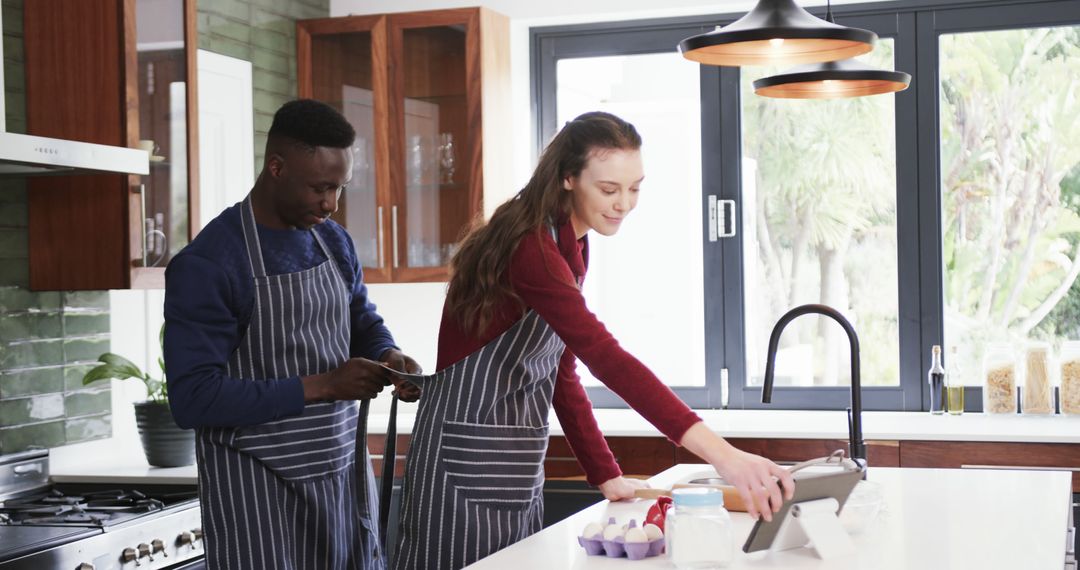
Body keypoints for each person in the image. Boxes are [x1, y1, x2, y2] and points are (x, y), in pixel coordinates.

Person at [390, 111, 795, 570]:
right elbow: (604, 356)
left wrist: (604, 472)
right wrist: (725, 457)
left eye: (635, 187)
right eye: (608, 189)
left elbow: (560, 369)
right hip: (461, 463)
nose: (624, 203)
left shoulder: (573, 245)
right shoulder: (530, 248)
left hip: (512, 465)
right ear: (567, 178)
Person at [163, 98, 421, 570]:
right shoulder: (211, 263)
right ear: (276, 167)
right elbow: (192, 399)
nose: (331, 203)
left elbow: (361, 320)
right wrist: (325, 385)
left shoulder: (332, 239)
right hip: (257, 493)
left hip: (341, 475)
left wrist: (389, 353)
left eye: (340, 188)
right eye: (320, 187)